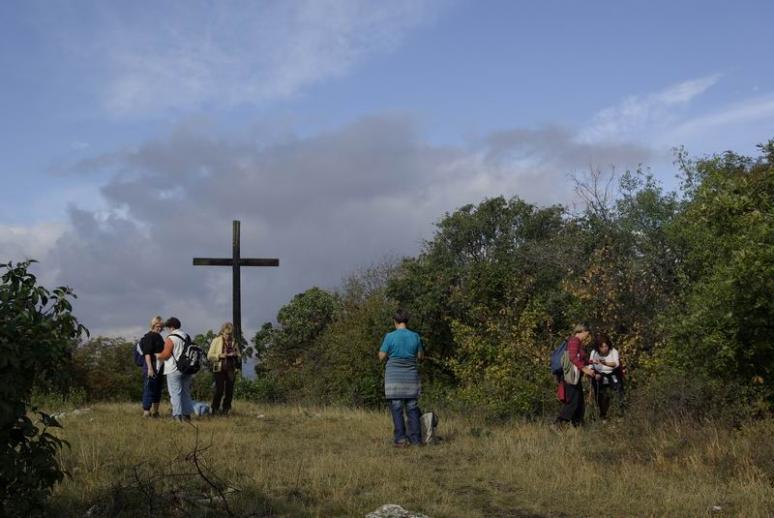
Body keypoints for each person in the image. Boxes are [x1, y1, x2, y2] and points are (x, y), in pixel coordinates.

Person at [379, 309, 424, 447]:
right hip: (410, 377)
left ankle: (401, 440)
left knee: (397, 408)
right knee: (412, 407)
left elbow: (381, 356)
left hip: (394, 378)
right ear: (406, 321)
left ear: (395, 321)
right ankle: (416, 440)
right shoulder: (415, 336)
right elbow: (420, 357)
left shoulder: (390, 336)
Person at [555, 322, 596, 427]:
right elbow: (572, 358)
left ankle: (578, 425)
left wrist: (591, 362)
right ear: (582, 331)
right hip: (570, 376)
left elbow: (579, 359)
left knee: (579, 402)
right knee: (573, 402)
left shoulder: (577, 342)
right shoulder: (574, 341)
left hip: (575, 376)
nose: (587, 336)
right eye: (587, 333)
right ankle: (558, 424)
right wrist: (585, 369)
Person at [157, 317, 194, 422]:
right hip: (187, 368)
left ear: (171, 327)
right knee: (186, 392)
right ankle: (187, 415)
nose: (168, 330)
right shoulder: (187, 336)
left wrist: (158, 356)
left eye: (168, 327)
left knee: (175, 393)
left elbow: (166, 354)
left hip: (173, 368)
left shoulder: (171, 337)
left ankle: (177, 415)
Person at [207, 322, 241, 415]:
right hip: (219, 368)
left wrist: (235, 355)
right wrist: (220, 355)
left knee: (229, 391)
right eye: (227, 333)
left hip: (231, 368)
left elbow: (239, 355)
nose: (228, 336)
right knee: (219, 390)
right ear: (222, 332)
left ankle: (226, 410)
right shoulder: (216, 340)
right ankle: (214, 409)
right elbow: (209, 356)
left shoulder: (234, 342)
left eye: (230, 334)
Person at [590, 333, 624, 419]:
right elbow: (590, 364)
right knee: (602, 395)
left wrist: (604, 363)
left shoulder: (614, 351)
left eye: (606, 346)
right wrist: (594, 373)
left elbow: (616, 364)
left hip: (613, 373)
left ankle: (620, 414)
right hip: (599, 374)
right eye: (602, 347)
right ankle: (603, 415)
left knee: (618, 392)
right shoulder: (594, 352)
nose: (605, 348)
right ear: (598, 347)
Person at [140, 315, 165, 418]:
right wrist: (150, 368)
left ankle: (155, 412)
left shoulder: (160, 337)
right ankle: (146, 411)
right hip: (151, 366)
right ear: (153, 325)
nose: (159, 328)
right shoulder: (149, 336)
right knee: (149, 388)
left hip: (160, 367)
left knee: (158, 389)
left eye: (160, 326)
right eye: (157, 326)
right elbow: (147, 353)